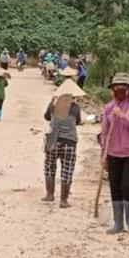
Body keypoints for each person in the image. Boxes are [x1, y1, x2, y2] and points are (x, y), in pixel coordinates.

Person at [101, 73, 129, 234]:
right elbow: (105, 132)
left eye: (123, 87)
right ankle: (118, 222)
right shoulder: (108, 108)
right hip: (113, 153)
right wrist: (103, 154)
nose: (119, 90)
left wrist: (122, 117)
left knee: (128, 185)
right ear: (113, 89)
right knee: (115, 187)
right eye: (116, 87)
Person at [42, 78, 83, 208]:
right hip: (69, 141)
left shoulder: (53, 104)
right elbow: (77, 121)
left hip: (52, 139)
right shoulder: (75, 107)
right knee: (67, 169)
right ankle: (63, 200)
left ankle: (49, 194)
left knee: (49, 166)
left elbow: (47, 117)